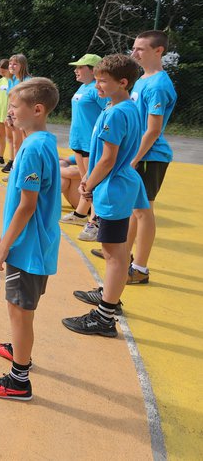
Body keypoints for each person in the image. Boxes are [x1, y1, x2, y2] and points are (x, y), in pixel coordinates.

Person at [0, 77, 60, 401]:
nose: (9, 112)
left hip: (26, 249)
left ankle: (19, 380)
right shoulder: (41, 141)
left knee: (19, 311)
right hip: (34, 246)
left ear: (37, 109)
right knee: (20, 312)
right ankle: (18, 347)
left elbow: (27, 206)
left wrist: (3, 244)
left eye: (15, 107)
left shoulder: (32, 150)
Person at [63, 54, 147, 336]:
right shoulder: (127, 107)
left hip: (112, 187)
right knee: (118, 250)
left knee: (113, 254)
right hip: (120, 184)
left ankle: (104, 316)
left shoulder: (116, 113)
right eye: (96, 80)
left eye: (102, 81)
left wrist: (88, 184)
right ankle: (109, 295)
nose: (97, 86)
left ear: (122, 83)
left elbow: (107, 158)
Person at [92, 30, 176, 285]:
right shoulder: (142, 80)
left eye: (140, 48)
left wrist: (133, 158)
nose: (134, 52)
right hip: (136, 154)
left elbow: (153, 129)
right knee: (131, 209)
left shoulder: (159, 84)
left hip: (150, 156)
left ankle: (139, 267)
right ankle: (123, 255)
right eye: (134, 47)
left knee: (143, 210)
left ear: (158, 51)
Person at [60, 54, 106, 229]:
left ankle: (94, 221)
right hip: (78, 143)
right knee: (85, 181)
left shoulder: (97, 90)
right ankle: (80, 214)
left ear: (93, 70)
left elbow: (108, 113)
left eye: (80, 67)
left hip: (91, 144)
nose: (76, 70)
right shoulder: (83, 88)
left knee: (92, 182)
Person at [0, 53, 31, 174]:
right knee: (15, 143)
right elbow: (11, 99)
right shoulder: (12, 80)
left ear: (22, 65)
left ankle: (20, 170)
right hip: (14, 114)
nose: (11, 66)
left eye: (15, 64)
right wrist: (8, 115)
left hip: (23, 115)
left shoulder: (27, 81)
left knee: (21, 143)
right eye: (10, 64)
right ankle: (15, 169)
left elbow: (29, 100)